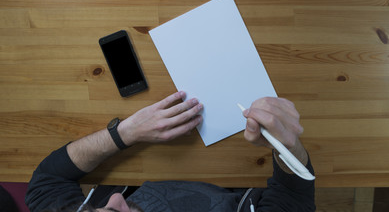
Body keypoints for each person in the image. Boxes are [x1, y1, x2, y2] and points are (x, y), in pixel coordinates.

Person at [25, 91, 315, 212]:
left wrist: (125, 132)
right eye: (116, 211)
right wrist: (287, 147)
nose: (114, 197)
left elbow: (46, 181)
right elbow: (292, 198)